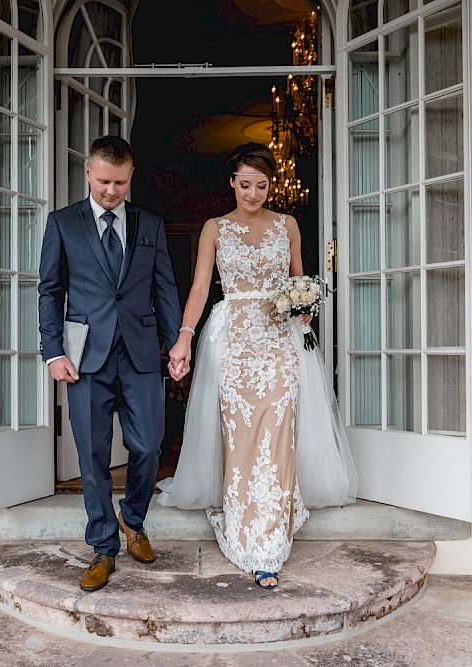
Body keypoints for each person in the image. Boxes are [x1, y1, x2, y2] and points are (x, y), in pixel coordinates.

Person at [161, 142, 358, 590]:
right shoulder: (215, 228)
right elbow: (198, 289)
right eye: (245, 185)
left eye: (262, 186)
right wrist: (184, 337)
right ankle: (243, 527)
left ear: (273, 185)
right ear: (231, 183)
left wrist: (304, 307)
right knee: (242, 436)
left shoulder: (287, 225)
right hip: (232, 343)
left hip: (279, 343)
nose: (253, 194)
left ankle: (269, 542)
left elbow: (298, 281)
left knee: (279, 433)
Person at [38, 136, 183, 592]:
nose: (111, 191)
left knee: (148, 447)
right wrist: (53, 351)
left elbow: (165, 289)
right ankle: (103, 547)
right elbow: (49, 290)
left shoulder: (151, 224)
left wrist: (177, 343)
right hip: (85, 357)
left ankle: (133, 519)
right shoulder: (63, 223)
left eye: (119, 182)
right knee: (94, 456)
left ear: (131, 176)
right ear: (88, 173)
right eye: (103, 181)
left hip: (139, 352)